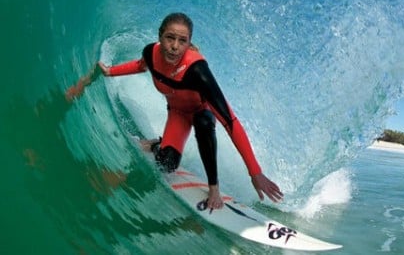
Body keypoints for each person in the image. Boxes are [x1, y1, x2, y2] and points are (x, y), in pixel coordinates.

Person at [86, 12, 283, 209]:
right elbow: (140, 66)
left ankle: (213, 188)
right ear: (160, 36)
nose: (174, 46)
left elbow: (230, 122)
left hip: (201, 111)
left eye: (182, 41)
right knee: (167, 165)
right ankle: (156, 145)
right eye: (170, 38)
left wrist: (255, 172)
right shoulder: (151, 54)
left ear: (189, 44)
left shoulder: (197, 71)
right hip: (178, 113)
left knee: (204, 122)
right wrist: (110, 72)